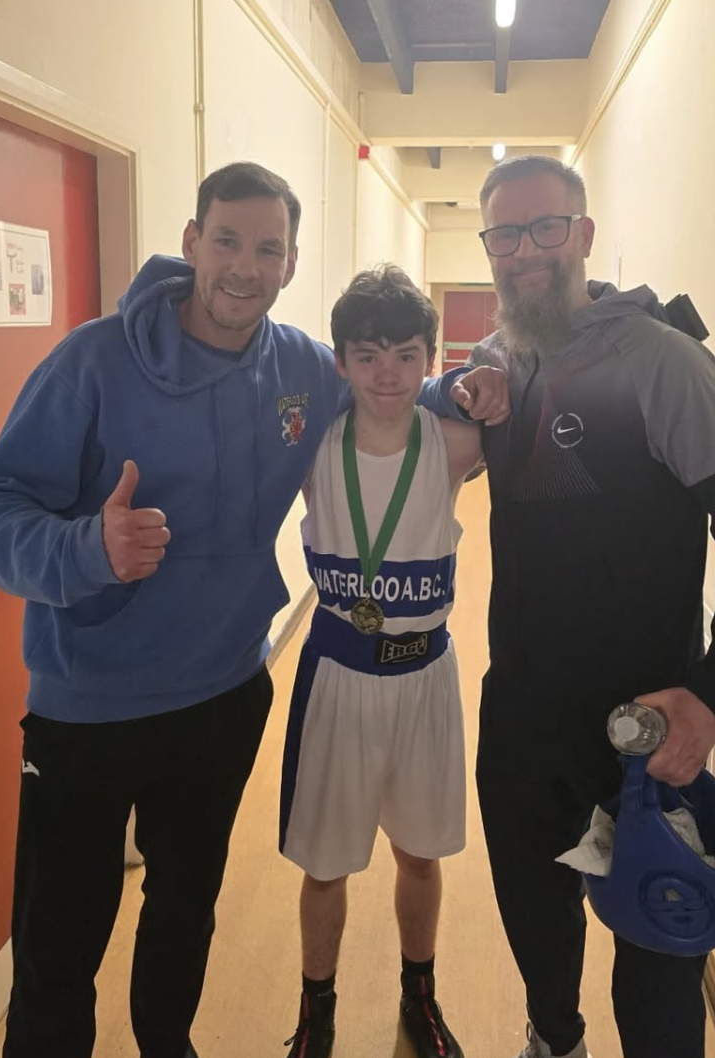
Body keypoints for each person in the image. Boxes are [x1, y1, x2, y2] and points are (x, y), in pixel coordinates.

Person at [0, 162, 507, 1058]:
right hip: (88, 707)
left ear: (290, 264)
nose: (244, 266)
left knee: (183, 915)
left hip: (220, 696)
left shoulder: (297, 365)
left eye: (268, 248)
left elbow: (388, 391)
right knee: (60, 946)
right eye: (227, 240)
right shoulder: (92, 360)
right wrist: (86, 551)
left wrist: (466, 386)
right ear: (190, 242)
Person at [468, 155, 715, 1058]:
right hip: (522, 721)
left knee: (656, 982)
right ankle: (554, 1036)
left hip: (641, 733)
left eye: (544, 228)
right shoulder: (500, 358)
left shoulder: (663, 361)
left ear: (583, 235)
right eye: (505, 234)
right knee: (538, 933)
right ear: (488, 248)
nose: (525, 251)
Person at [278, 266, 482, 1058]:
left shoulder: (458, 444)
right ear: (341, 363)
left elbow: (522, 389)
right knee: (324, 865)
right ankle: (316, 1010)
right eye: (367, 355)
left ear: (431, 359)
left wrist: (480, 379)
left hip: (425, 673)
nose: (387, 373)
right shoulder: (308, 451)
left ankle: (419, 997)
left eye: (405, 354)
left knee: (419, 853)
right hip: (337, 672)